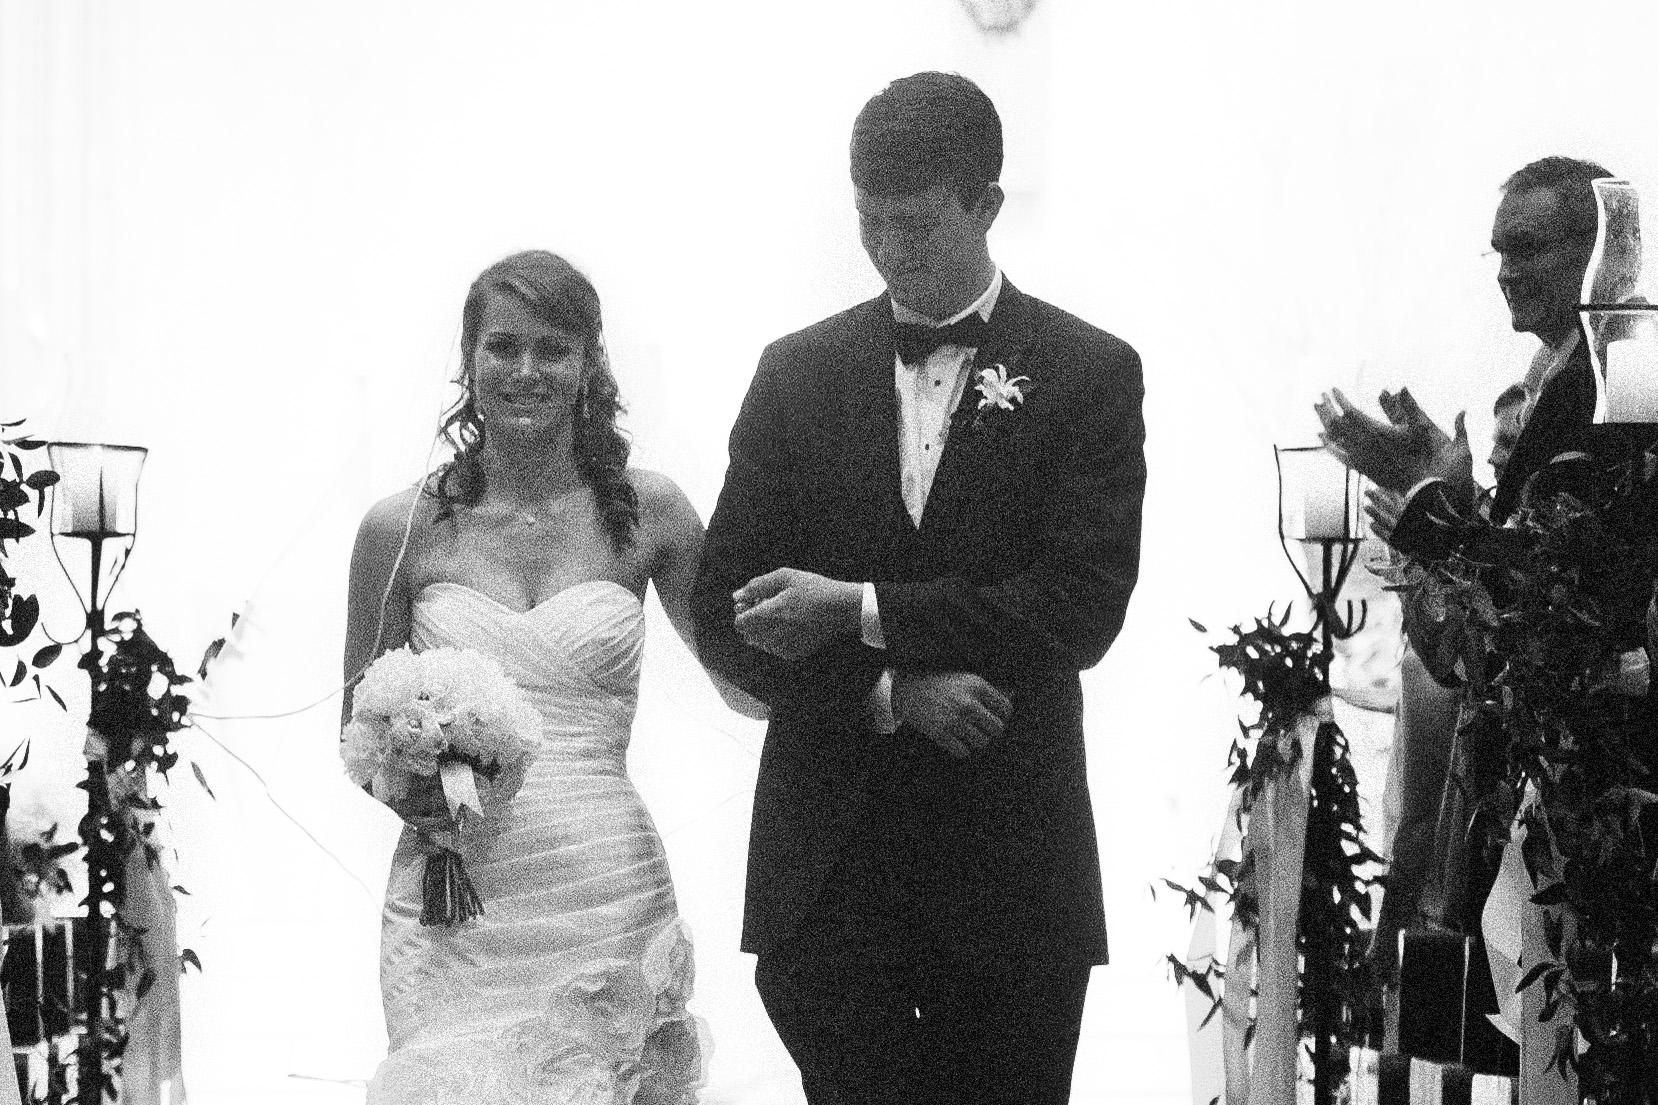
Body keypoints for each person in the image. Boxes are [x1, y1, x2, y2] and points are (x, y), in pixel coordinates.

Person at [689, 72, 1146, 1103]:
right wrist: (886, 696)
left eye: (915, 224)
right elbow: (727, 614)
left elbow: (1079, 605)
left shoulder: (1086, 371)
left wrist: (858, 609)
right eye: (867, 223)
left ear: (985, 204)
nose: (890, 250)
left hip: (1011, 871)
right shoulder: (792, 373)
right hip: (833, 872)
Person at [341, 250, 724, 1103]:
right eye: (502, 346)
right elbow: (357, 735)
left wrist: (867, 644)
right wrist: (428, 789)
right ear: (469, 361)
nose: (525, 370)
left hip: (605, 886)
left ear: (590, 364)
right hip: (456, 901)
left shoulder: (652, 511)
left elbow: (746, 680)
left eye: (552, 348)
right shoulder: (397, 528)